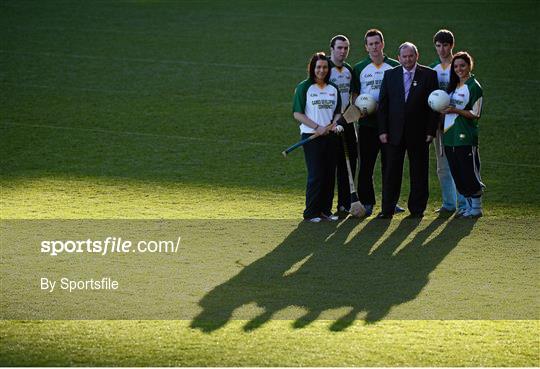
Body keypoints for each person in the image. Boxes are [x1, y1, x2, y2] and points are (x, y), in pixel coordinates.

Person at [377, 42, 439, 219]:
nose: (408, 59)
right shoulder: (390, 75)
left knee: (419, 172)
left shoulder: (429, 75)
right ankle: (387, 209)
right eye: (404, 56)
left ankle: (417, 209)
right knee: (391, 173)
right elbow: (383, 105)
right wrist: (382, 130)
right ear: (399, 58)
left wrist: (431, 131)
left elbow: (433, 107)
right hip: (393, 134)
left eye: (411, 56)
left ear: (417, 56)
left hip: (419, 134)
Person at [351, 29, 405, 217]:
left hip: (390, 125)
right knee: (366, 165)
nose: (374, 47)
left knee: (390, 165)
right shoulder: (359, 68)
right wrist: (360, 108)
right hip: (368, 125)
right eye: (370, 44)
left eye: (377, 43)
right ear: (366, 47)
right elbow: (355, 94)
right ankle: (367, 202)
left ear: (383, 44)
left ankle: (390, 202)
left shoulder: (395, 66)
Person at [292, 52, 343, 223]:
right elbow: (297, 114)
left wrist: (334, 124)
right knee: (316, 174)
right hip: (311, 136)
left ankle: (325, 211)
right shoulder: (304, 87)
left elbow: (337, 112)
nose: (321, 70)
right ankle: (311, 212)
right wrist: (317, 127)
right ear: (312, 68)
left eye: (325, 67)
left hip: (330, 137)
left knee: (329, 174)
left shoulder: (333, 89)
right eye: (318, 67)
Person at [430, 29, 468, 215]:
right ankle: (448, 204)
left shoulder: (459, 67)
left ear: (451, 45)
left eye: (445, 45)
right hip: (439, 124)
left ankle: (463, 204)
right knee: (443, 166)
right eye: (438, 45)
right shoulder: (432, 69)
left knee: (460, 164)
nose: (442, 49)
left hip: (457, 123)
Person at [442, 51, 484, 218]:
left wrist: (455, 110)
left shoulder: (474, 86)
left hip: (465, 136)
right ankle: (467, 206)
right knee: (456, 172)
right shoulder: (453, 85)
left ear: (469, 66)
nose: (459, 69)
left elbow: (476, 113)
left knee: (468, 172)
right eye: (456, 66)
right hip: (449, 135)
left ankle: (477, 208)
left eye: (462, 65)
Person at [327, 35, 357, 218]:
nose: (343, 51)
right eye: (339, 47)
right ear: (332, 48)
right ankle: (325, 206)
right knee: (331, 165)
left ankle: (345, 204)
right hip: (329, 124)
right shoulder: (324, 68)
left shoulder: (348, 70)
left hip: (347, 122)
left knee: (349, 163)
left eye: (346, 48)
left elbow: (352, 95)